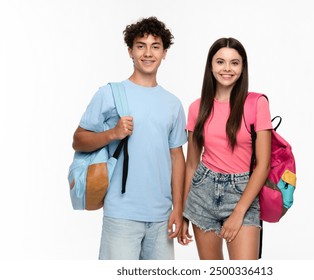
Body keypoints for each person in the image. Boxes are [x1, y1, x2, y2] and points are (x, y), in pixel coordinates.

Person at [72, 17, 187, 260]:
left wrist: (178, 208)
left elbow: (177, 158)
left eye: (155, 46)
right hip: (121, 214)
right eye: (140, 45)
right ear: (130, 51)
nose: (148, 53)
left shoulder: (173, 104)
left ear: (165, 53)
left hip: (161, 217)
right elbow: (79, 140)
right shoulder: (109, 93)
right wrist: (112, 133)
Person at [179, 37, 272, 260]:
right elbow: (191, 163)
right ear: (211, 66)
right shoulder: (197, 108)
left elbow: (264, 165)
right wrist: (184, 213)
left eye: (234, 62)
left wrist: (239, 212)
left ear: (243, 67)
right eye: (220, 62)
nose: (227, 69)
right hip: (202, 193)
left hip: (243, 193)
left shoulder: (257, 103)